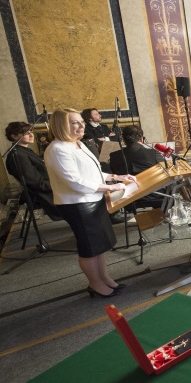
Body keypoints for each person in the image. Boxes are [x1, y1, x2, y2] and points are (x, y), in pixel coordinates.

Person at [43, 109, 136, 298]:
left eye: (80, 122)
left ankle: (105, 278)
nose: (81, 125)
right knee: (89, 247)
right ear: (61, 125)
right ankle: (95, 284)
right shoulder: (57, 149)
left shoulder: (78, 144)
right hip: (77, 204)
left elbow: (92, 172)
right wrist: (109, 188)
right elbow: (75, 182)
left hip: (93, 200)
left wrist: (115, 176)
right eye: (74, 123)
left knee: (99, 244)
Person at [4, 122, 58, 218]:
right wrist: (59, 184)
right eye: (26, 133)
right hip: (46, 195)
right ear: (14, 136)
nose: (31, 134)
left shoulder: (24, 151)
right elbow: (35, 183)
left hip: (49, 188)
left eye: (31, 131)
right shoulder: (17, 155)